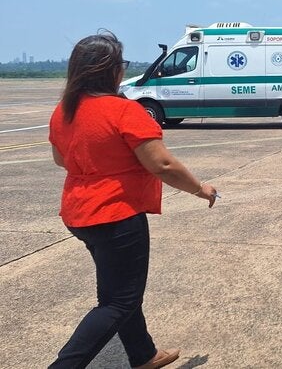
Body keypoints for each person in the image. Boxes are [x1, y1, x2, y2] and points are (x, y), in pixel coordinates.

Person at [48, 32, 219, 369]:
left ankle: (143, 354)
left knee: (121, 291)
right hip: (116, 215)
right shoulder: (124, 111)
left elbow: (60, 159)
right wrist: (201, 189)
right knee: (117, 302)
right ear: (109, 71)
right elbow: (163, 165)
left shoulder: (63, 112)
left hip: (79, 213)